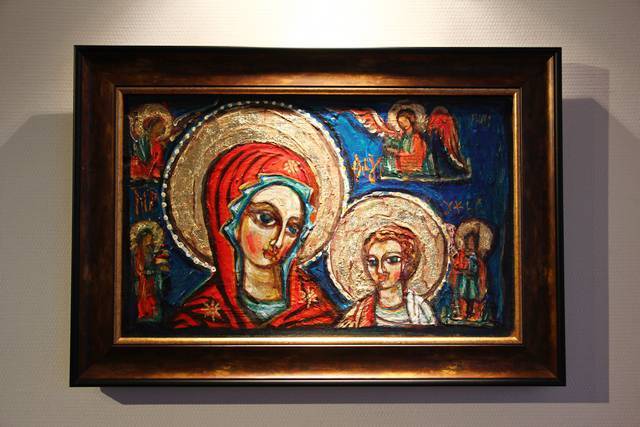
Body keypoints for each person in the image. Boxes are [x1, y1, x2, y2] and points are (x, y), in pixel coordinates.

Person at [173, 142, 337, 329]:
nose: (278, 241)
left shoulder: (316, 313)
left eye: (293, 228)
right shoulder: (198, 319)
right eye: (266, 219)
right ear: (230, 221)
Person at [337, 224, 436, 328]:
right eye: (373, 262)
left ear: (407, 263)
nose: (380, 270)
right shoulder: (357, 315)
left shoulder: (422, 311)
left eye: (392, 260)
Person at [450, 232, 487, 320]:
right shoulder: (462, 254)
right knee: (462, 295)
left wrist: (467, 269)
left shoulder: (476, 256)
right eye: (468, 241)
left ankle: (474, 314)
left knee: (472, 296)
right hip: (464, 280)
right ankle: (463, 313)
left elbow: (476, 269)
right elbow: (456, 265)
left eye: (472, 242)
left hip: (472, 281)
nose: (470, 244)